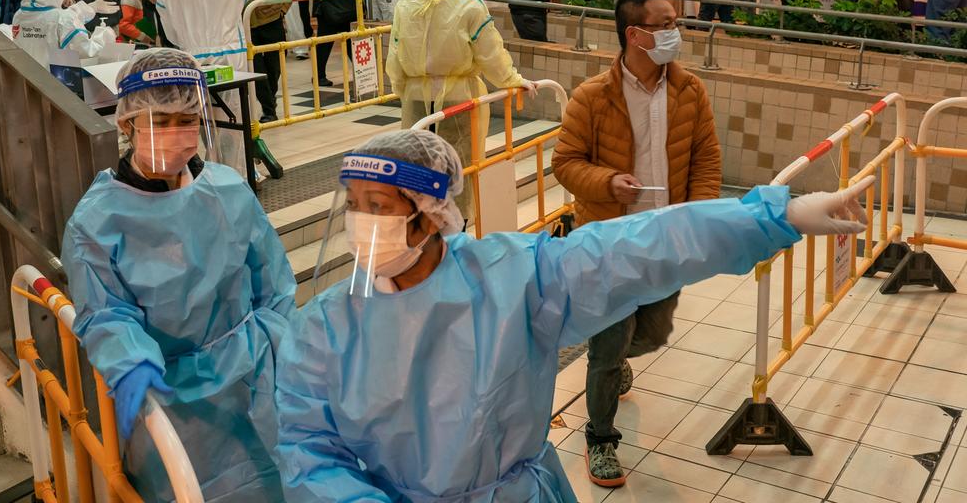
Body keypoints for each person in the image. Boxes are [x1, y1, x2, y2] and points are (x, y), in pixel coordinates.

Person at [274, 128, 872, 502]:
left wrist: (775, 216)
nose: (359, 224)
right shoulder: (327, 324)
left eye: (377, 207)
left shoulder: (512, 282)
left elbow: (640, 247)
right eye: (352, 207)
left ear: (431, 214)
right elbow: (305, 445)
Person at [64, 49, 295, 502]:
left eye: (188, 119)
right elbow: (106, 314)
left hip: (256, 391)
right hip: (171, 405)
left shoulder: (228, 190)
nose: (176, 134)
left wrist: (285, 354)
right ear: (126, 124)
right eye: (160, 120)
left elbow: (276, 287)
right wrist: (131, 364)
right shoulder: (97, 222)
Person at [551, 0, 721, 487]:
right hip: (611, 240)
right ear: (635, 34)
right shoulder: (592, 97)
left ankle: (623, 357)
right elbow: (565, 162)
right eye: (666, 24)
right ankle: (600, 439)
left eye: (676, 22)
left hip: (667, 237)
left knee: (653, 331)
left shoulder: (690, 90)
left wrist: (700, 218)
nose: (676, 32)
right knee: (606, 346)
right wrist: (607, 181)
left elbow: (707, 159)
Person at [386, 0, 533, 215]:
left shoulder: (406, 5)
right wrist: (513, 80)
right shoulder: (470, 6)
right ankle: (457, 229)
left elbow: (396, 54)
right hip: (459, 98)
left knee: (417, 167)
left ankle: (421, 228)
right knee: (458, 167)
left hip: (416, 97)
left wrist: (401, 87)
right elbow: (490, 54)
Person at [158, 0, 298, 172]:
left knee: (205, 124)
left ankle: (213, 173)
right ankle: (238, 179)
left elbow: (169, 26)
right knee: (234, 122)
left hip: (191, 59)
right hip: (230, 57)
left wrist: (189, 42)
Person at [10, 0, 117, 66]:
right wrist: (105, 34)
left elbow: (54, 20)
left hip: (29, 79)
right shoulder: (62, 18)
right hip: (56, 82)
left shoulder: (19, 16)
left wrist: (91, 7)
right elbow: (86, 51)